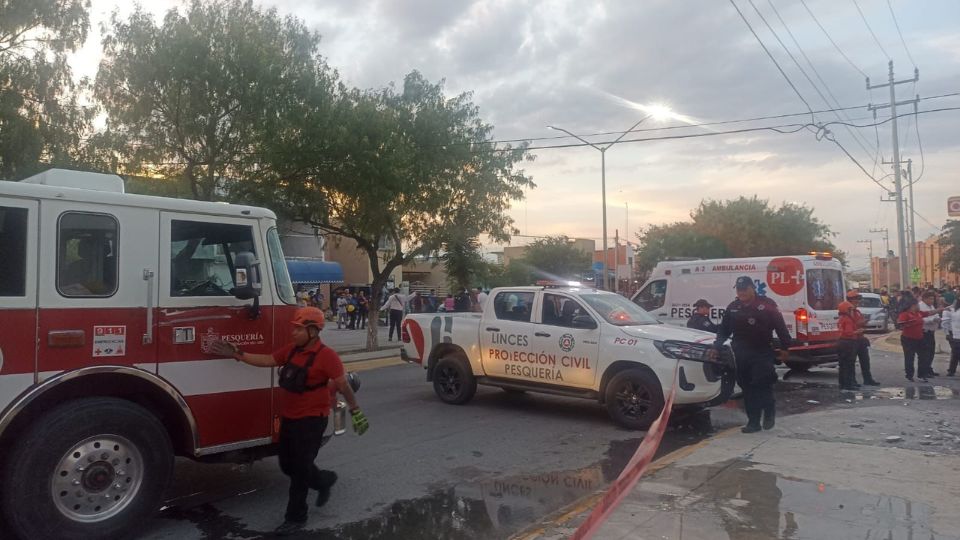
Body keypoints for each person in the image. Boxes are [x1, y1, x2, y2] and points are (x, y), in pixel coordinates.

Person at [207, 307, 368, 535]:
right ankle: (323, 481)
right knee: (287, 465)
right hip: (291, 418)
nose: (293, 333)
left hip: (313, 420)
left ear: (313, 331)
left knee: (300, 470)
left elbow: (343, 385)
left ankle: (295, 518)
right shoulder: (292, 351)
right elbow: (267, 360)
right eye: (294, 328)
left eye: (299, 329)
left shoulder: (327, 356)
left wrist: (356, 412)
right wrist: (238, 354)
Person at [711, 276, 792, 433]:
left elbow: (780, 326)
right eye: (739, 290)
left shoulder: (767, 305)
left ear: (752, 288)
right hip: (741, 353)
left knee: (762, 383)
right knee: (747, 387)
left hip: (762, 351)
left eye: (744, 289)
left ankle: (769, 411)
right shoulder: (733, 307)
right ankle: (753, 422)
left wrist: (785, 347)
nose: (741, 292)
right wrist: (716, 346)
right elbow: (724, 330)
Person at [898, 298, 940, 382]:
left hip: (919, 338)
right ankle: (909, 375)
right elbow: (900, 324)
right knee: (910, 357)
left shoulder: (919, 313)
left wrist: (939, 309)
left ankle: (922, 374)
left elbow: (929, 313)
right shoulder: (905, 314)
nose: (918, 306)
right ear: (912, 306)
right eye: (917, 305)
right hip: (908, 339)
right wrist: (910, 322)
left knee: (923, 356)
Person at [845, 290, 880, 386]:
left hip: (860, 339)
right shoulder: (848, 312)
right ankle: (852, 381)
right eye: (856, 299)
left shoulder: (857, 311)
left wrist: (864, 322)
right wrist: (860, 325)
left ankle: (867, 379)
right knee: (851, 362)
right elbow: (850, 325)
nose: (858, 301)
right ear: (851, 300)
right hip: (852, 339)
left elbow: (858, 322)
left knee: (865, 361)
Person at [837, 301, 862, 390]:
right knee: (849, 364)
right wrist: (858, 332)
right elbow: (848, 333)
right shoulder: (848, 320)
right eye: (850, 310)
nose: (852, 311)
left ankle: (843, 384)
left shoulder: (841, 318)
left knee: (842, 365)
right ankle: (848, 384)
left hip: (841, 342)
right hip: (848, 343)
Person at [918, 291, 942, 378]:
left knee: (931, 352)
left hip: (931, 331)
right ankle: (924, 371)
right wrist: (932, 320)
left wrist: (938, 319)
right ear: (924, 298)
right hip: (924, 331)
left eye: (933, 299)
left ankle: (928, 368)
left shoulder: (931, 306)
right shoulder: (920, 306)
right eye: (930, 299)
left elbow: (935, 315)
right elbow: (921, 319)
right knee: (925, 353)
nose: (932, 300)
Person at [945, 296, 959, 376]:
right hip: (955, 334)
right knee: (956, 353)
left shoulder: (951, 310)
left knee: (955, 353)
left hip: (955, 334)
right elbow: (945, 323)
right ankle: (951, 370)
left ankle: (951, 370)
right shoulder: (952, 310)